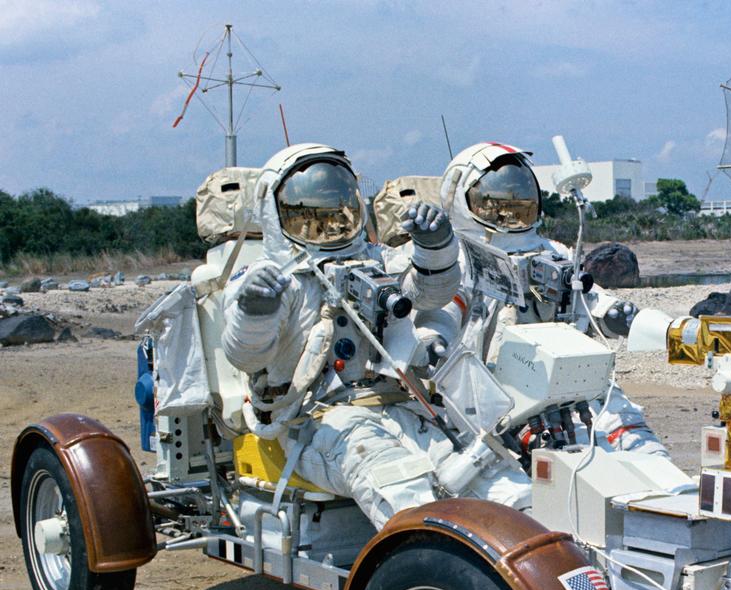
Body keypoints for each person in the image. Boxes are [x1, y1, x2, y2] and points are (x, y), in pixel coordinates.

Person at [221, 143, 530, 528]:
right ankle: (429, 558)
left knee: (494, 475)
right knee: (404, 488)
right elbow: (246, 356)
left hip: (404, 406)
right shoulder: (271, 282)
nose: (331, 220)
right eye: (315, 212)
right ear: (276, 211)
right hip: (318, 421)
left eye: (338, 207)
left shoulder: (377, 260)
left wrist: (435, 248)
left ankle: (538, 550)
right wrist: (255, 313)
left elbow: (428, 295)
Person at [433, 141, 669, 456]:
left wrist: (622, 316)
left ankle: (657, 476)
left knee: (634, 436)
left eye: (519, 197)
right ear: (463, 198)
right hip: (495, 389)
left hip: (569, 378)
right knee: (559, 458)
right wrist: (433, 341)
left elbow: (589, 300)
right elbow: (442, 313)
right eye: (497, 200)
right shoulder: (460, 260)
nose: (510, 208)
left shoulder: (552, 251)